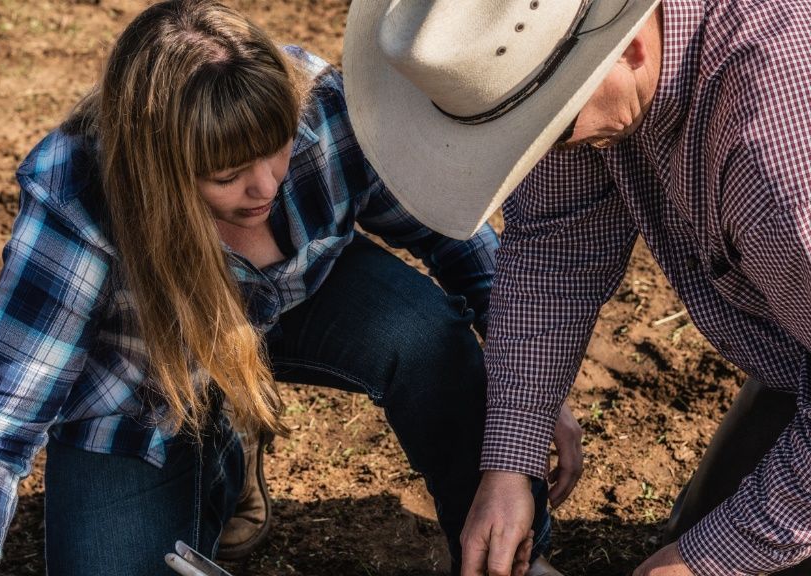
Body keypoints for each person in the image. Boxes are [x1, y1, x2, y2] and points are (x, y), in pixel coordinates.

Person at [0, 1, 564, 574]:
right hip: (147, 390)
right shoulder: (77, 197)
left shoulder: (323, 107)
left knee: (428, 338)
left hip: (303, 297)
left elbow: (453, 237)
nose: (265, 187)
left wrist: (528, 404)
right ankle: (224, 453)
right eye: (227, 175)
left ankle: (505, 559)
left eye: (276, 150)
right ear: (161, 174)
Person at [344, 0, 811, 574]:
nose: (542, 150)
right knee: (701, 533)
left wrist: (706, 560)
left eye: (550, 128)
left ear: (632, 44)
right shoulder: (583, 58)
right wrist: (510, 463)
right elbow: (555, 245)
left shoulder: (777, 168)